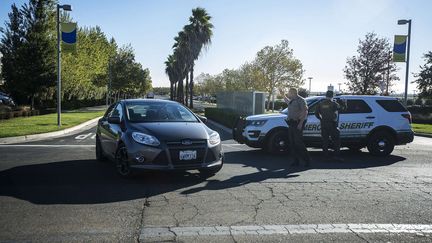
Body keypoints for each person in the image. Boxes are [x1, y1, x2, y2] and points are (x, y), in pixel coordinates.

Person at [284, 88, 311, 167]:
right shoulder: (292, 100)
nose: (288, 94)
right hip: (291, 123)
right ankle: (296, 161)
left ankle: (307, 160)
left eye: (289, 93)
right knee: (292, 143)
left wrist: (301, 123)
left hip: (297, 123)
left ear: (293, 93)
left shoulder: (301, 100)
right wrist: (282, 94)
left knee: (298, 142)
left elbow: (305, 111)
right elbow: (287, 102)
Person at [314, 90, 345, 160]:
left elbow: (316, 113)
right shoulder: (334, 104)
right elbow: (342, 109)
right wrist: (344, 103)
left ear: (326, 95)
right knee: (336, 140)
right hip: (332, 124)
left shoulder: (320, 104)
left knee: (325, 141)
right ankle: (336, 156)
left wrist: (321, 119)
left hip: (324, 124)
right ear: (332, 96)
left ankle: (326, 156)